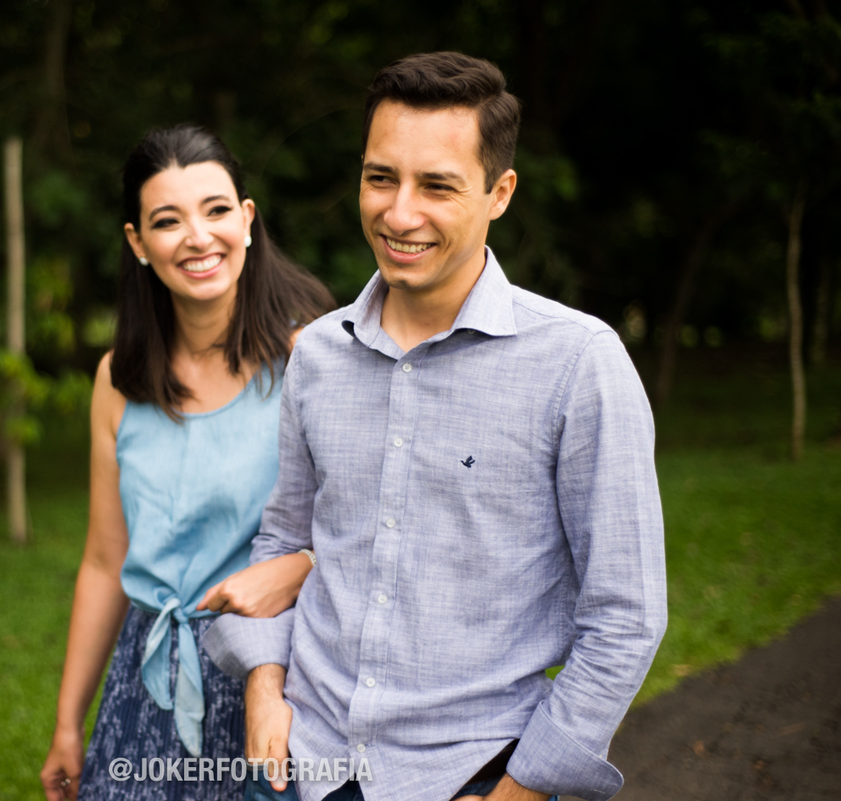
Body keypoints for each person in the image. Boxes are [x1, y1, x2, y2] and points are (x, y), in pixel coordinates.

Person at [204, 52, 667, 801]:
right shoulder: (317, 355)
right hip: (307, 766)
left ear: (500, 192)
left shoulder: (579, 364)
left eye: (438, 185)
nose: (398, 212)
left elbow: (624, 616)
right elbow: (286, 543)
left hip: (470, 775)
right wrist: (265, 685)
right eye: (380, 177)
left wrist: (517, 792)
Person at [40, 124, 335, 801]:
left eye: (216, 209)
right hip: (145, 689)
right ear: (138, 243)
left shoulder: (311, 358)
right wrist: (66, 721)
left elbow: (373, 525)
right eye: (167, 221)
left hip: (275, 678)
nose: (198, 236)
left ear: (248, 219)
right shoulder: (119, 379)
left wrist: (297, 565)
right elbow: (103, 559)